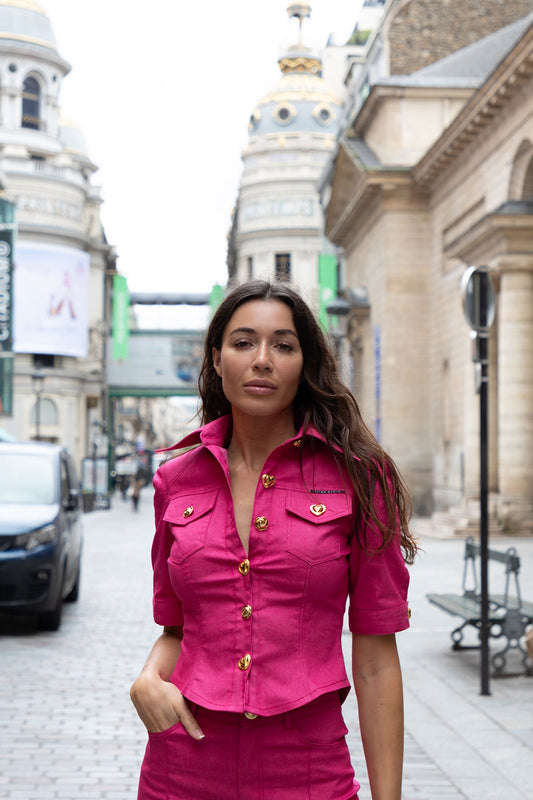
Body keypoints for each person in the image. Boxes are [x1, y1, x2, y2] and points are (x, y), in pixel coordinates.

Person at [130, 280, 417, 800]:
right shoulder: (176, 481)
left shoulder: (358, 478)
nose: (262, 359)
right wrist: (149, 677)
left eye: (283, 345)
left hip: (308, 770)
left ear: (303, 363)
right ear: (217, 359)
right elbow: (177, 629)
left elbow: (376, 658)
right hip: (181, 766)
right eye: (243, 343)